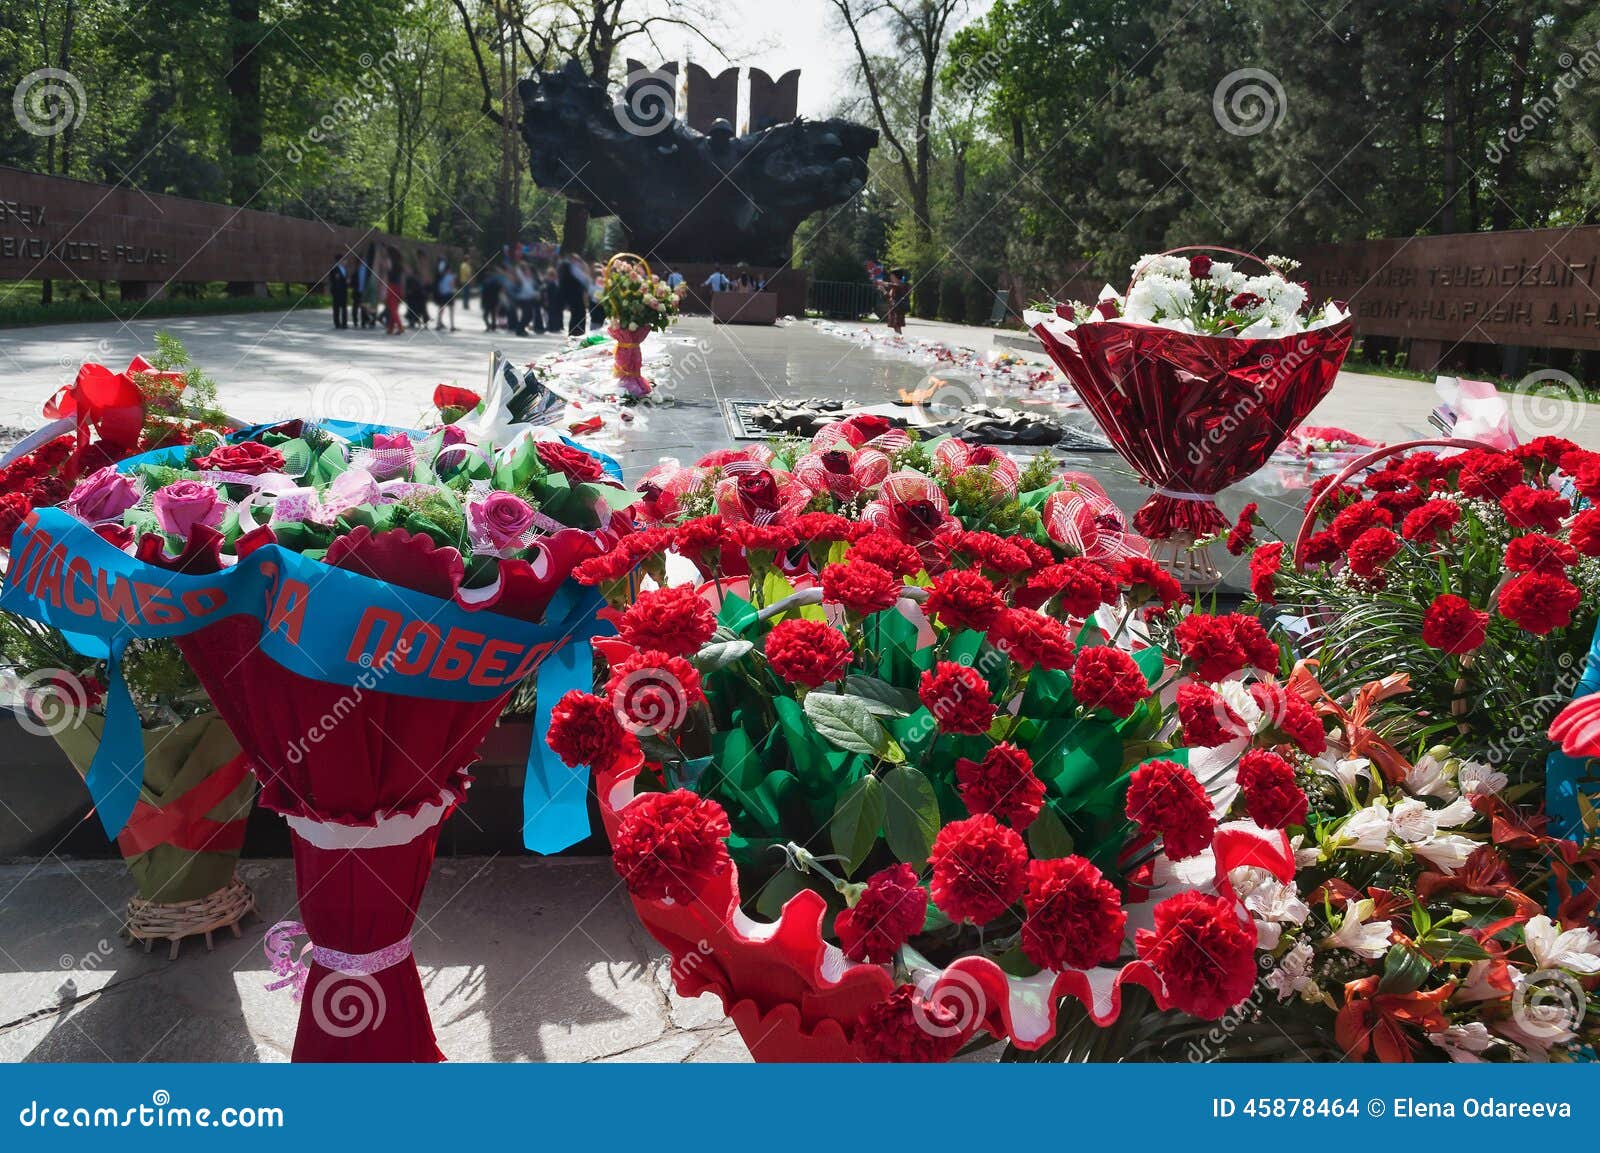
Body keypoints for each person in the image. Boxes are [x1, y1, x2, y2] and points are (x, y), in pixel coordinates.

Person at [559, 254, 589, 336]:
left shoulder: (576, 267)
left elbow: (584, 279)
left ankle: (579, 332)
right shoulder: (567, 267)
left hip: (578, 294)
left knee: (581, 313)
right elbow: (564, 283)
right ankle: (574, 333)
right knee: (576, 314)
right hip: (572, 295)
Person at [384, 248, 405, 335]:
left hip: (391, 287)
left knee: (392, 309)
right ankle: (391, 328)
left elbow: (387, 272)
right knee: (393, 308)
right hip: (398, 287)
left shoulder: (390, 262)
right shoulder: (400, 264)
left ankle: (400, 327)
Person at [434, 256, 458, 333]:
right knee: (451, 310)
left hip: (442, 294)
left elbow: (440, 286)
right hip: (449, 294)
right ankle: (452, 325)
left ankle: (438, 324)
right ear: (449, 270)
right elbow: (452, 286)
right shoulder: (451, 276)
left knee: (441, 309)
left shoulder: (442, 277)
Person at [480, 262, 504, 332]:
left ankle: (490, 326)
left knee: (486, 315)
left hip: (489, 300)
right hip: (493, 300)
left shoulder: (486, 282)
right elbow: (501, 289)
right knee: (492, 314)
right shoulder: (495, 281)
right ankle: (492, 326)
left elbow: (483, 293)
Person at [329, 254, 350, 329]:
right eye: (344, 260)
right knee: (336, 308)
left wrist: (347, 281)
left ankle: (344, 323)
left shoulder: (345, 269)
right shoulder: (334, 269)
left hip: (344, 291)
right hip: (337, 291)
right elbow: (332, 280)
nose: (346, 262)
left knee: (344, 308)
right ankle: (337, 323)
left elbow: (345, 278)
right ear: (340, 261)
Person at [542, 267, 562, 335]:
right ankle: (551, 327)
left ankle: (554, 327)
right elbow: (545, 293)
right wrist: (546, 300)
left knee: (553, 314)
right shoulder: (547, 282)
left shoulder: (555, 282)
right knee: (550, 314)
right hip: (550, 300)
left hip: (554, 300)